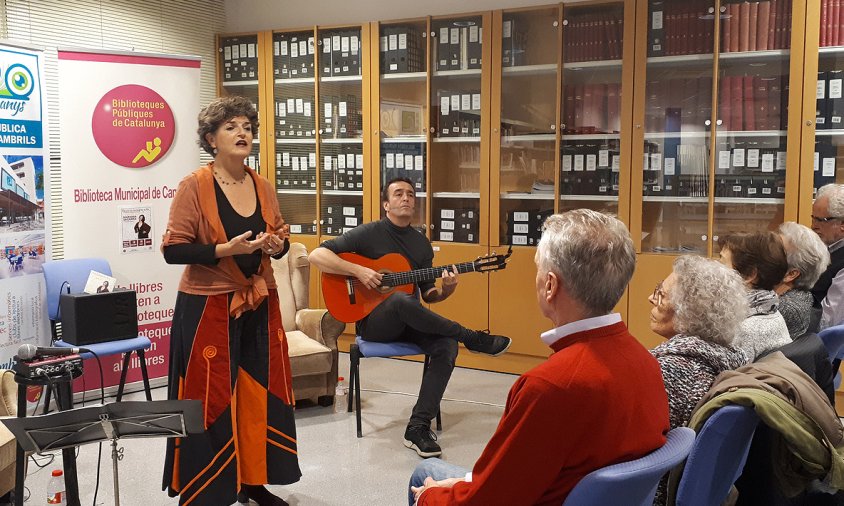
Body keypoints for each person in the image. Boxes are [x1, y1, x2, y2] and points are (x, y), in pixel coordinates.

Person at [408, 209, 670, 505]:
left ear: (550, 285)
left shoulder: (550, 386)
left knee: (424, 477)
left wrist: (429, 497)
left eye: (537, 270)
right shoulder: (647, 362)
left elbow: (488, 501)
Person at [308, 177, 512, 458]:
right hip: (374, 323)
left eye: (411, 194)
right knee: (401, 299)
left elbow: (428, 296)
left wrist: (446, 290)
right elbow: (316, 256)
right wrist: (360, 272)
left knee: (445, 344)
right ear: (386, 204)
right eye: (399, 194)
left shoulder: (421, 245)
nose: (406, 198)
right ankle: (471, 337)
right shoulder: (368, 233)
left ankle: (417, 426)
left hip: (408, 321)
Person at [161, 96, 299, 506]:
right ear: (211, 138)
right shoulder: (194, 186)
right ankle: (211, 487)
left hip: (258, 300)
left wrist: (276, 246)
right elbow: (173, 250)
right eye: (231, 127)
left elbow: (280, 237)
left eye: (247, 127)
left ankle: (254, 481)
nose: (243, 134)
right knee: (212, 398)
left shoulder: (263, 185)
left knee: (259, 391)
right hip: (207, 308)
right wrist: (223, 249)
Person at [718, 232, 791, 361]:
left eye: (722, 262)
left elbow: (721, 379)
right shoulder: (770, 311)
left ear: (749, 275)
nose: (715, 268)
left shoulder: (744, 330)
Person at [777, 222, 831, 338]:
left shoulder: (784, 308)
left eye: (775, 251)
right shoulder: (804, 297)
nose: (765, 254)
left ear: (791, 274)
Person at [811, 183, 844, 330]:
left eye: (820, 220)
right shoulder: (825, 248)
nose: (813, 226)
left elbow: (828, 321)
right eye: (813, 218)